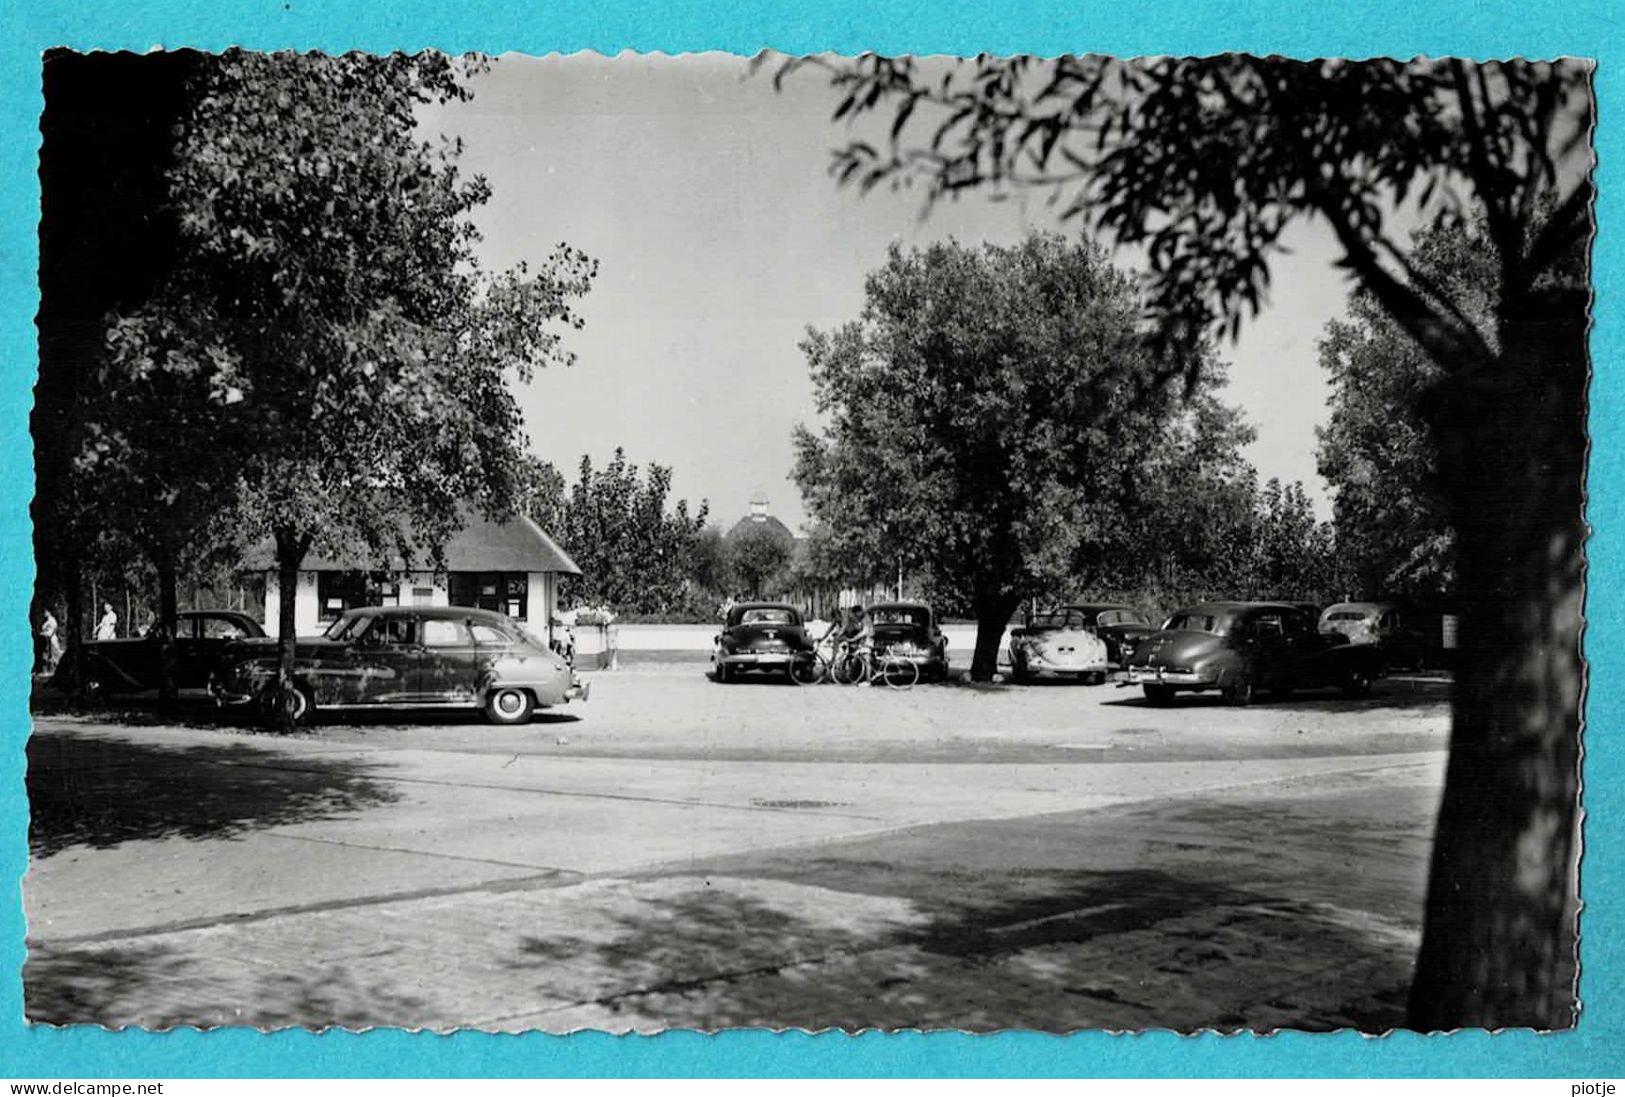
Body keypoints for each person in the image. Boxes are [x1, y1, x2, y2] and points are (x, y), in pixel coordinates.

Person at [37, 610, 60, 675]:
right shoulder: (47, 621)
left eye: (45, 612)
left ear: (49, 612)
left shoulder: (52, 621)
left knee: (52, 654)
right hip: (46, 638)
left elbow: (52, 630)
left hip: (51, 639)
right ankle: (46, 670)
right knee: (47, 654)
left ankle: (52, 670)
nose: (44, 614)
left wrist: (46, 634)